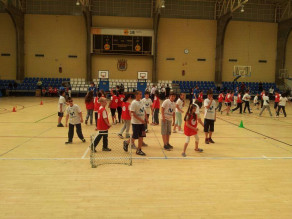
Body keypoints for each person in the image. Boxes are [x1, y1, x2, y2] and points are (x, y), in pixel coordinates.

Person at [123, 91, 148, 156]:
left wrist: (146, 119)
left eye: (141, 94)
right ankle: (126, 142)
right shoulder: (134, 103)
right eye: (140, 94)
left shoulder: (142, 101)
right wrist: (141, 120)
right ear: (136, 95)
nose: (141, 95)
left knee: (141, 136)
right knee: (135, 136)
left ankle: (139, 150)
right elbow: (133, 113)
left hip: (142, 123)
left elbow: (144, 110)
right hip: (136, 123)